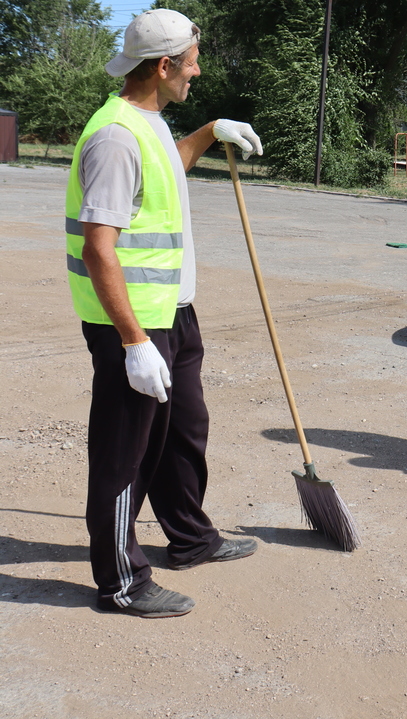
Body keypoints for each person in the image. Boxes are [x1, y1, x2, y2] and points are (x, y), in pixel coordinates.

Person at [67, 8, 265, 618]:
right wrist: (132, 343)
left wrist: (208, 132)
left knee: (184, 432)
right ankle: (121, 582)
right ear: (163, 66)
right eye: (192, 63)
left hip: (172, 313)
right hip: (133, 324)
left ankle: (190, 536)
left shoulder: (148, 123)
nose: (197, 72)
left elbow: (166, 170)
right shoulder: (114, 136)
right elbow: (101, 246)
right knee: (126, 454)